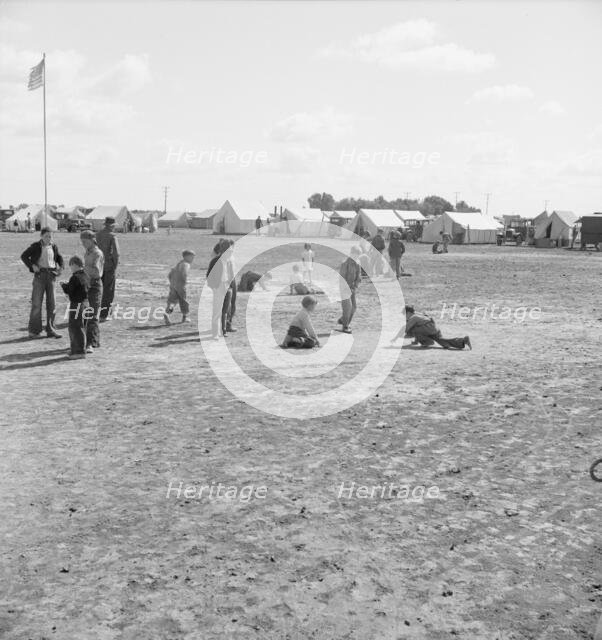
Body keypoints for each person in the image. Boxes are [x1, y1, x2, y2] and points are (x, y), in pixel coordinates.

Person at [21, 227, 64, 339]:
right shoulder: (36, 246)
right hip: (39, 276)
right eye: (46, 236)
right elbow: (24, 256)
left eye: (50, 236)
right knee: (36, 304)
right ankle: (34, 331)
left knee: (52, 304)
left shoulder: (54, 246)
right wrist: (32, 266)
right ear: (41, 236)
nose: (49, 238)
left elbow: (59, 258)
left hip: (51, 276)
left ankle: (51, 330)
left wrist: (61, 268)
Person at [392, 305, 471, 350]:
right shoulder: (417, 314)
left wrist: (395, 338)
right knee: (443, 343)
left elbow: (405, 329)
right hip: (433, 328)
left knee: (413, 329)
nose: (404, 316)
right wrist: (415, 341)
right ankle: (463, 341)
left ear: (408, 312)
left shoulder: (413, 317)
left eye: (404, 314)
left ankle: (427, 342)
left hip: (429, 328)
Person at [80, 230, 104, 353]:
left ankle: (91, 343)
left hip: (95, 285)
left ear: (91, 240)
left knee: (92, 315)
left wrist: (82, 268)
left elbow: (96, 271)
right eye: (82, 242)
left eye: (84, 241)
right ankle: (93, 341)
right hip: (88, 284)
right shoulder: (88, 252)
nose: (83, 244)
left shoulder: (97, 253)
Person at [61, 256, 89, 359]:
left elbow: (70, 291)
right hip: (86, 304)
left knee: (75, 328)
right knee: (81, 327)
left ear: (75, 265)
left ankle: (78, 352)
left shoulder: (75, 277)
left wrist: (64, 286)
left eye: (71, 265)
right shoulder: (85, 275)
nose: (71, 268)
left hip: (76, 305)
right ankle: (77, 349)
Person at [96, 216, 120, 321]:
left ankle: (95, 311)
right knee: (108, 291)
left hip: (97, 265)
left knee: (96, 290)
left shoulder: (97, 234)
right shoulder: (112, 236)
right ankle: (103, 315)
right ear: (112, 226)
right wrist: (115, 265)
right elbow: (116, 253)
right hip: (109, 266)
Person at [163, 250, 195, 325]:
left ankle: (167, 313)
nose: (193, 259)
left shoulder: (179, 263)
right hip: (181, 286)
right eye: (192, 257)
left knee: (173, 301)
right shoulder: (186, 264)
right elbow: (184, 273)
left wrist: (172, 283)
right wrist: (184, 282)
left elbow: (170, 275)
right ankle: (185, 317)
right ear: (187, 257)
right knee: (184, 301)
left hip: (173, 285)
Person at [207, 242, 231, 338]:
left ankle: (223, 330)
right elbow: (209, 276)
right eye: (228, 251)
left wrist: (229, 285)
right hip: (218, 286)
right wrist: (214, 287)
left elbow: (229, 274)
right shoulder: (215, 261)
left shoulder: (228, 261)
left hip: (226, 286)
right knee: (217, 310)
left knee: (225, 309)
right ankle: (215, 332)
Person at [338, 246, 361, 334]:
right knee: (348, 307)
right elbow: (342, 278)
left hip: (352, 289)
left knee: (354, 307)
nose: (356, 257)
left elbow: (358, 277)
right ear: (351, 254)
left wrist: (354, 287)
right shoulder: (345, 263)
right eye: (355, 254)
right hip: (344, 288)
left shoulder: (358, 264)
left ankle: (344, 320)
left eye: (358, 255)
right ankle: (345, 326)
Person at [224, 240, 237, 332]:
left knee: (232, 303)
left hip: (232, 280)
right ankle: (227, 324)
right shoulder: (224, 258)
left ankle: (228, 322)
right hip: (227, 282)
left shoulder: (231, 256)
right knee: (227, 305)